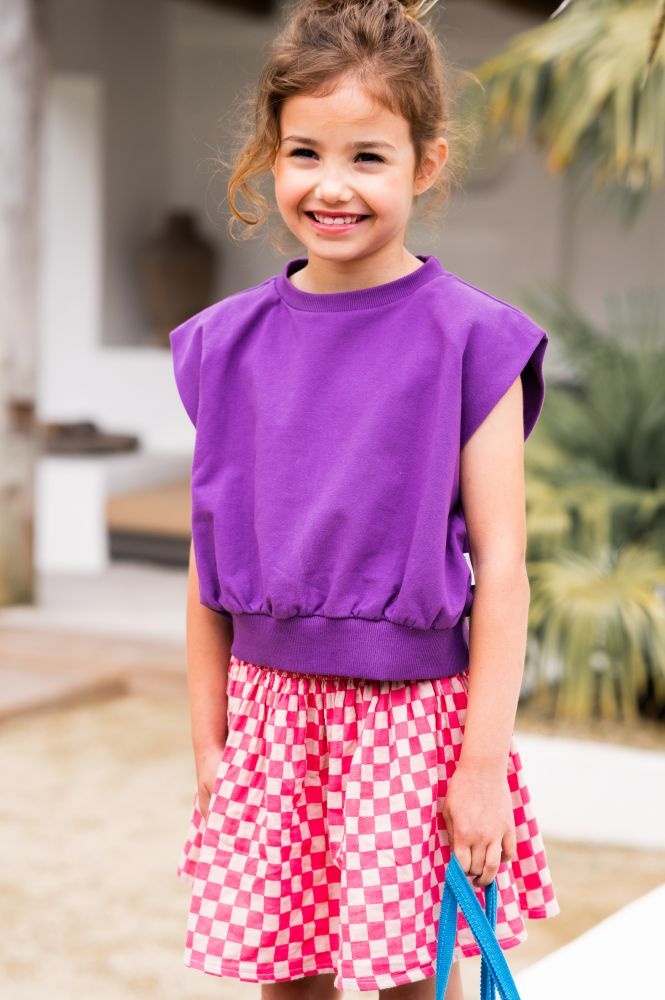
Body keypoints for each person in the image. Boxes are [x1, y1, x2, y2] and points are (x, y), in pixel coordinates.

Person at [170, 1, 561, 997]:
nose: (331, 185)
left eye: (368, 157)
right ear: (270, 155)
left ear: (425, 165)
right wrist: (210, 742)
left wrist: (480, 767)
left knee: (407, 983)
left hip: (411, 726)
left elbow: (503, 571)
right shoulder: (223, 346)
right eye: (304, 152)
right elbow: (207, 569)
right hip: (271, 724)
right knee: (287, 980)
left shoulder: (471, 342)